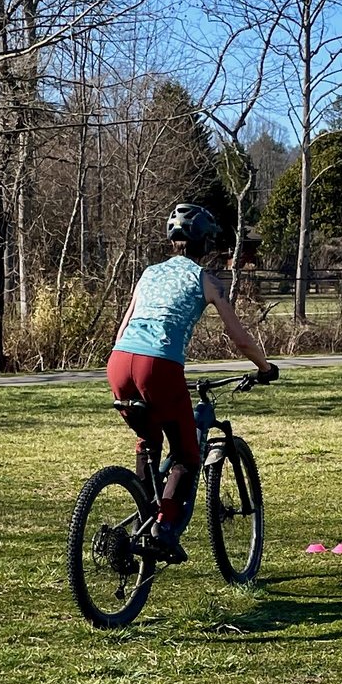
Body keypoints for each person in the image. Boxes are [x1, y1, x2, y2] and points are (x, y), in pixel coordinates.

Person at [107, 203, 276, 561]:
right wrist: (264, 367)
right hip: (159, 366)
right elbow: (240, 339)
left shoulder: (149, 274)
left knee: (148, 438)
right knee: (186, 453)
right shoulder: (207, 281)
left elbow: (123, 328)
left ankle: (144, 514)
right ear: (205, 245)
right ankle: (163, 527)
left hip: (119, 362)